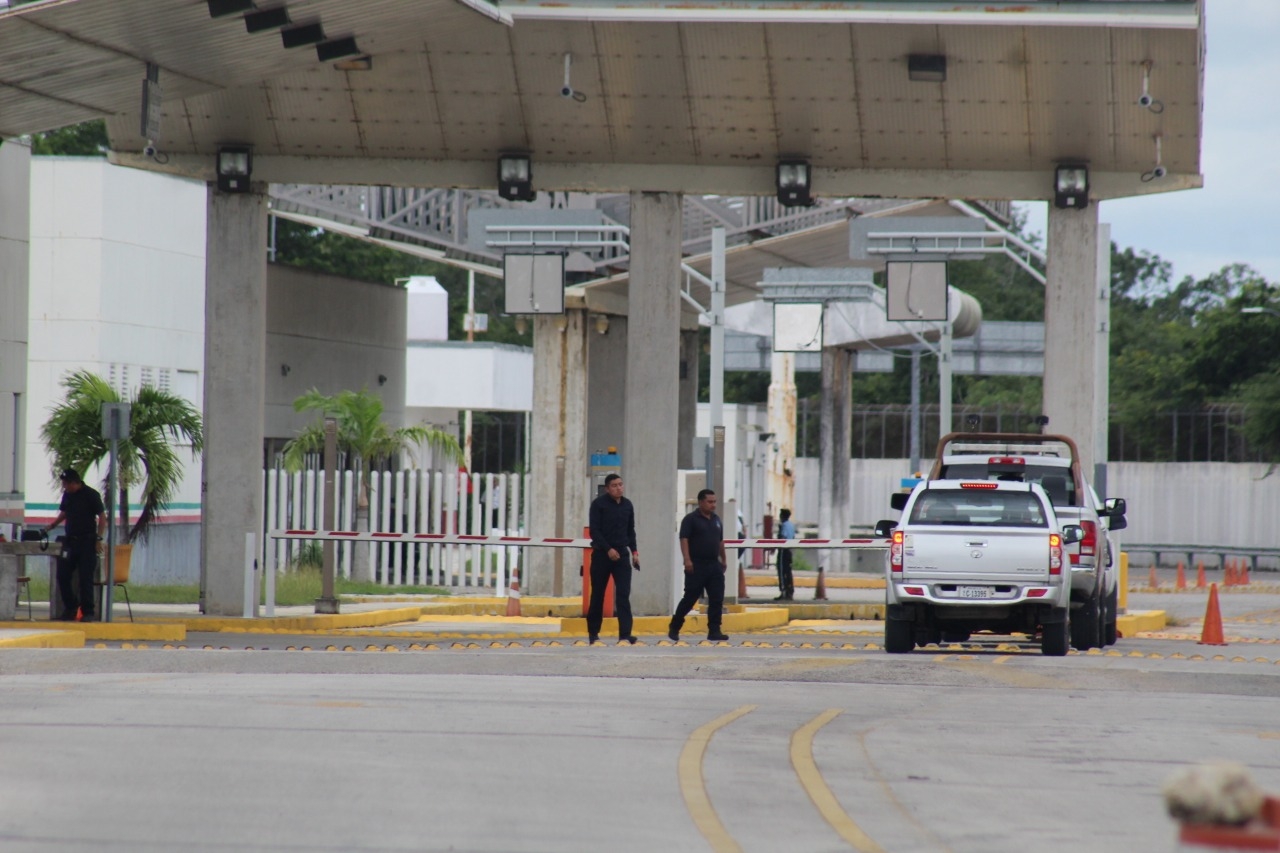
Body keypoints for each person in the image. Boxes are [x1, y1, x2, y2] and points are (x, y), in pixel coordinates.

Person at [669, 488, 730, 643]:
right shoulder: (690, 519)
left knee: (717, 598)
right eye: (710, 502)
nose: (713, 505)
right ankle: (675, 626)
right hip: (696, 565)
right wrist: (687, 559)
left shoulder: (716, 520)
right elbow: (684, 539)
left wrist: (724, 558)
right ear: (701, 502)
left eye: (714, 502)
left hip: (713, 565)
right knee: (690, 598)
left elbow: (720, 541)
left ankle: (714, 630)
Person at [45, 468, 106, 622]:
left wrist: (99, 538)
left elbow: (102, 517)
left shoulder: (91, 495)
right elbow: (64, 513)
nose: (64, 487)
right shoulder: (68, 495)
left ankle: (88, 612)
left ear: (74, 483)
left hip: (87, 541)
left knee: (85, 578)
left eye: (66, 484)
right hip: (70, 541)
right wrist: (52, 526)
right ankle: (71, 607)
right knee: (63, 575)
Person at [587, 473, 639, 645]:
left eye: (621, 484)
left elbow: (630, 531)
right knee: (598, 595)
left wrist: (634, 552)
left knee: (623, 595)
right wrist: (608, 549)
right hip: (603, 555)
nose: (619, 488)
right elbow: (595, 530)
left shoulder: (627, 505)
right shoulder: (598, 505)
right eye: (615, 485)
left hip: (622, 556)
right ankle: (593, 633)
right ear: (607, 488)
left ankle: (625, 634)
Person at [775, 508, 796, 601]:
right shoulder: (791, 525)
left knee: (782, 571)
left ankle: (783, 591)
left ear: (782, 516)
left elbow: (782, 537)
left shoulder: (783, 525)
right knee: (788, 571)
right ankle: (790, 591)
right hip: (790, 550)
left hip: (783, 550)